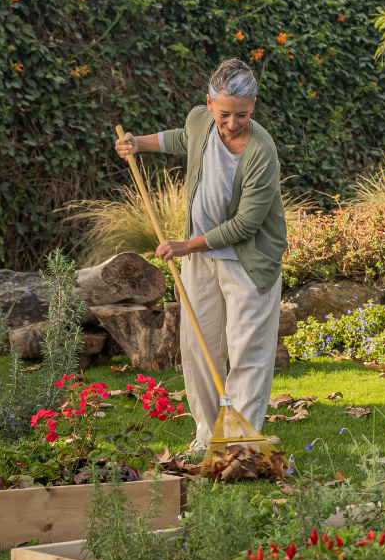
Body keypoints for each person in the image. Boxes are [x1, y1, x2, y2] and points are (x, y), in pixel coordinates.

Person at [116, 59, 286, 455]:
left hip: (248, 262)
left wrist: (184, 246)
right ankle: (208, 437)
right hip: (201, 263)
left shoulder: (262, 152)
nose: (231, 123)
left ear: (254, 105)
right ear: (209, 104)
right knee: (199, 349)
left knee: (248, 352)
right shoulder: (200, 121)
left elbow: (245, 225)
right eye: (224, 113)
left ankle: (240, 445)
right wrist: (139, 143)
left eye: (241, 114)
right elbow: (182, 138)